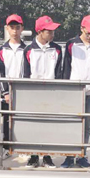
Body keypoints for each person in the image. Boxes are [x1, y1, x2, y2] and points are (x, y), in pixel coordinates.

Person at [60, 15, 90, 168]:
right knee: (71, 125)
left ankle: (82, 155)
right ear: (82, 28)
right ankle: (68, 156)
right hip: (73, 91)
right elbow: (66, 68)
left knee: (87, 126)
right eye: (89, 32)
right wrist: (64, 88)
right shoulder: (71, 45)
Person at [23, 15, 62, 169]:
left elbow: (59, 72)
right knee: (33, 125)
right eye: (49, 31)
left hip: (51, 92)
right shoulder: (29, 50)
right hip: (34, 92)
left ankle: (47, 156)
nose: (52, 34)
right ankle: (33, 156)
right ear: (39, 32)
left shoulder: (57, 49)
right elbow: (25, 73)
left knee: (49, 125)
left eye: (53, 31)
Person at [0, 14, 26, 159]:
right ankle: (6, 149)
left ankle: (22, 148)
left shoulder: (26, 49)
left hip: (22, 91)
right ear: (7, 29)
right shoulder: (2, 49)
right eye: (12, 27)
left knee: (22, 120)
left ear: (22, 29)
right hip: (7, 91)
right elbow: (0, 72)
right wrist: (5, 92)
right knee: (6, 121)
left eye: (17, 27)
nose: (15, 31)